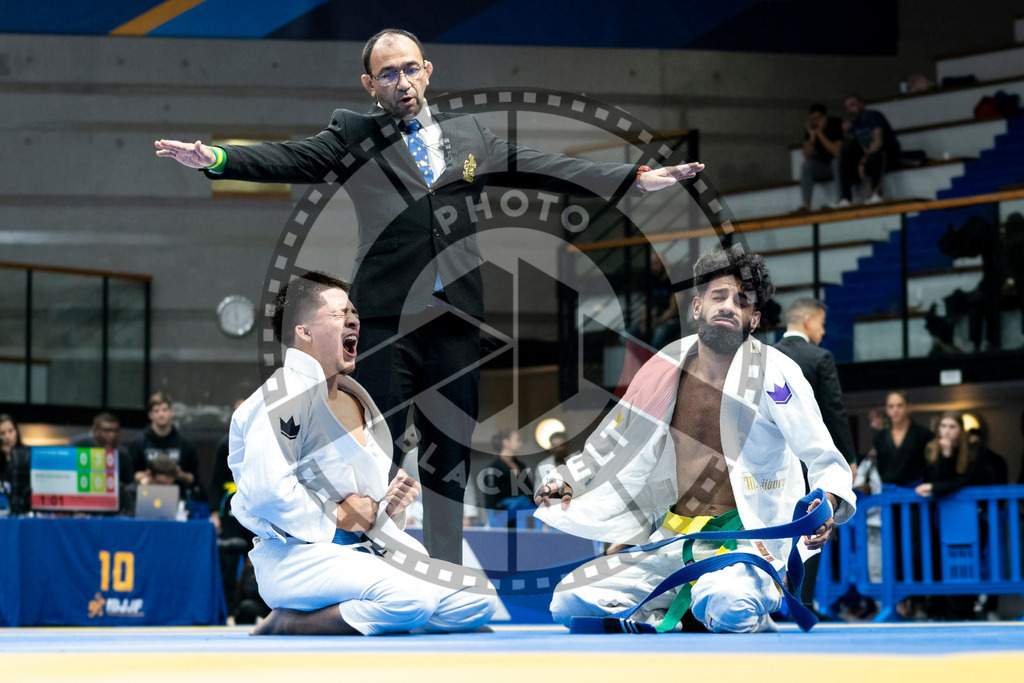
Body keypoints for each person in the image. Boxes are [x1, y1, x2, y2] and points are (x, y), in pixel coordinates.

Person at [154, 28, 704, 565]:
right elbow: (290, 158)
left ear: (427, 71)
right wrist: (218, 159)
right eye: (388, 74)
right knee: (377, 449)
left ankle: (443, 571)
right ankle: (372, 562)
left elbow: (548, 168)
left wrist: (634, 179)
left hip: (458, 317)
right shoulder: (354, 135)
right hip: (387, 316)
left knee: (452, 452)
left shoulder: (474, 140)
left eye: (410, 69)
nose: (402, 81)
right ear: (370, 85)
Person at [535, 246, 855, 633]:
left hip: (745, 541)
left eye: (741, 302)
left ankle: (713, 605)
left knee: (728, 604)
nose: (728, 307)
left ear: (753, 320)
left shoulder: (776, 372)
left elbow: (823, 455)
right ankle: (685, 610)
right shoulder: (663, 368)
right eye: (718, 297)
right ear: (697, 307)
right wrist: (568, 479)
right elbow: (611, 442)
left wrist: (828, 500)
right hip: (672, 537)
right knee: (570, 600)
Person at [229, 270, 496, 636]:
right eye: (339, 313)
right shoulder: (283, 395)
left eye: (354, 312)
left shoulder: (355, 397)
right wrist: (338, 516)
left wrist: (386, 505)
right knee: (413, 599)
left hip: (361, 552)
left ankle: (376, 611)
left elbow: (356, 501)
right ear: (302, 331)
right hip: (297, 557)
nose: (353, 319)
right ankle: (292, 621)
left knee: (478, 596)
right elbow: (265, 493)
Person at [773, 297, 857, 617]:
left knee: (772, 523)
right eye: (821, 324)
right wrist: (848, 459)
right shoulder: (819, 357)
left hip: (771, 462)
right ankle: (802, 602)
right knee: (813, 522)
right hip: (809, 461)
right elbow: (833, 412)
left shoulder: (766, 358)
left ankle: (770, 597)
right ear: (807, 320)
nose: (822, 332)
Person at [915, 412, 1006, 499]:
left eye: (952, 427)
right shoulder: (932, 447)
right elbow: (937, 479)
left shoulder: (973, 446)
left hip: (974, 499)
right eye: (943, 426)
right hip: (946, 501)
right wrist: (946, 454)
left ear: (961, 429)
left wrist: (934, 487)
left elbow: (965, 480)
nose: (946, 431)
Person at [129, 392, 200, 498]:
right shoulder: (138, 443)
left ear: (171, 412)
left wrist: (180, 474)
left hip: (178, 497)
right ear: (150, 415)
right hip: (146, 496)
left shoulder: (185, 444)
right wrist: (148, 476)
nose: (161, 414)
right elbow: (131, 474)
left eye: (164, 410)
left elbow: (194, 477)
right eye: (156, 411)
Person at [836, 94, 900, 206]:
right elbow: (848, 149)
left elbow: (877, 142)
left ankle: (877, 195)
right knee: (843, 161)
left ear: (861, 104)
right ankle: (845, 198)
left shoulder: (873, 116)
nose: (850, 109)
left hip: (887, 153)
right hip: (867, 156)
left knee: (875, 156)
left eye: (853, 105)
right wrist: (845, 133)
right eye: (847, 107)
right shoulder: (854, 123)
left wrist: (863, 160)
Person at [69, 412, 135, 514]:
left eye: (115, 431)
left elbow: (130, 485)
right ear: (95, 430)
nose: (112, 435)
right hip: (81, 507)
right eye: (106, 431)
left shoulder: (122, 454)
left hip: (113, 511)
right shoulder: (80, 447)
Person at [873, 390, 932, 487]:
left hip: (917, 491)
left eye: (899, 405)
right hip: (889, 491)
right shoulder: (880, 437)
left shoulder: (923, 434)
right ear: (887, 410)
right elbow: (881, 467)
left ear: (908, 407)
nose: (895, 410)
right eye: (891, 406)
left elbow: (930, 467)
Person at [798, 104, 843, 211]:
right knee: (806, 166)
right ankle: (806, 204)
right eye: (813, 119)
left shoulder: (835, 123)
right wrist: (812, 137)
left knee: (836, 162)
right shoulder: (811, 129)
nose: (816, 121)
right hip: (822, 166)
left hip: (839, 164)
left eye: (818, 118)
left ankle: (840, 199)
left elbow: (837, 152)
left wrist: (820, 134)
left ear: (825, 117)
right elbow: (807, 156)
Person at [481, 429, 534, 513]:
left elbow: (531, 493)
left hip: (524, 516)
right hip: (503, 517)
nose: (520, 444)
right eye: (517, 440)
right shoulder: (493, 469)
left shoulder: (522, 466)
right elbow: (491, 501)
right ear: (506, 442)